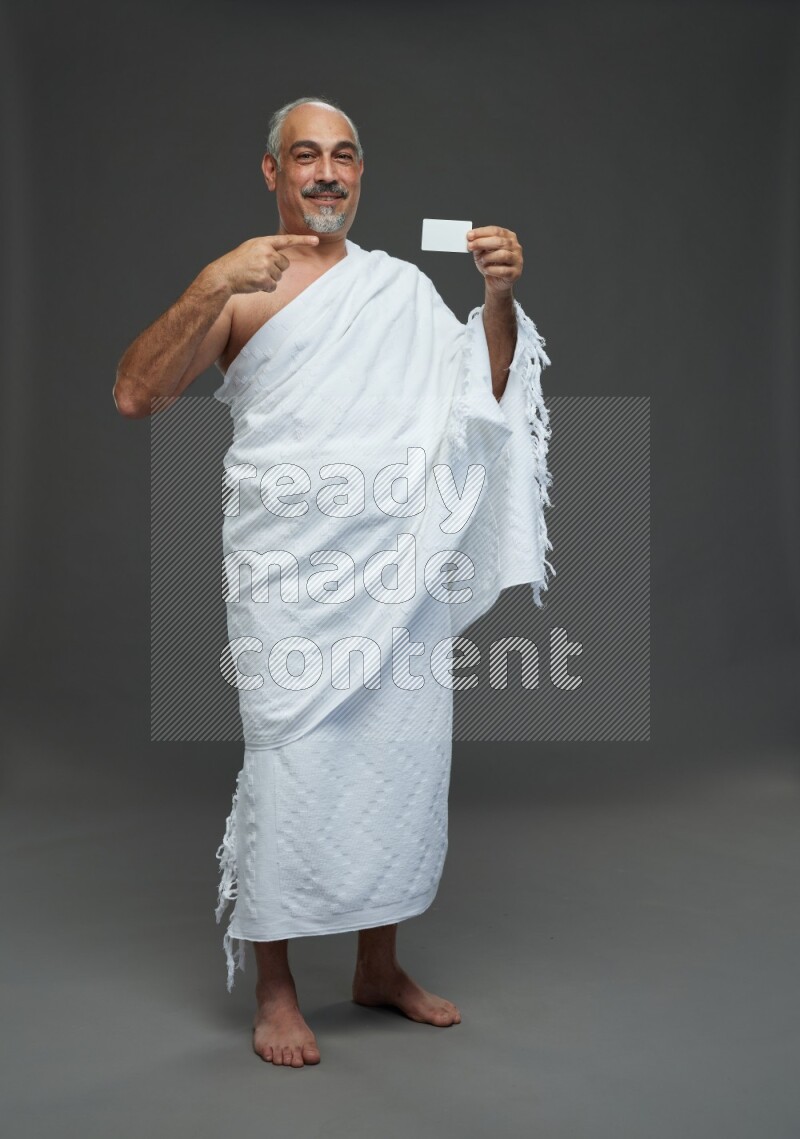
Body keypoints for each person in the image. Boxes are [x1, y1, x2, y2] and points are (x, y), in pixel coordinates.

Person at [113, 96, 553, 1068]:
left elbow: (474, 393)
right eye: (304, 156)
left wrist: (495, 300)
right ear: (271, 173)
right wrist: (208, 278)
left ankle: (376, 965)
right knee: (293, 757)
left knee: (396, 758)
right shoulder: (241, 285)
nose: (325, 174)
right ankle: (275, 984)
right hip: (288, 571)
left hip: (393, 568)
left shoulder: (394, 289)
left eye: (342, 158)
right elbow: (137, 390)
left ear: (360, 175)